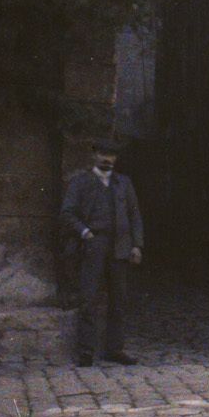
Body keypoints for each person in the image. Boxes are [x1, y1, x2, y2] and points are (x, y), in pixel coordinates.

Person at [59, 142, 143, 366]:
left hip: (120, 246)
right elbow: (67, 212)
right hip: (93, 244)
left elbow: (135, 215)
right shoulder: (81, 182)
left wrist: (137, 245)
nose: (108, 159)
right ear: (95, 155)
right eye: (104, 154)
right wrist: (84, 232)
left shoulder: (123, 183)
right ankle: (86, 351)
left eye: (112, 155)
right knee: (88, 298)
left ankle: (115, 349)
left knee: (119, 300)